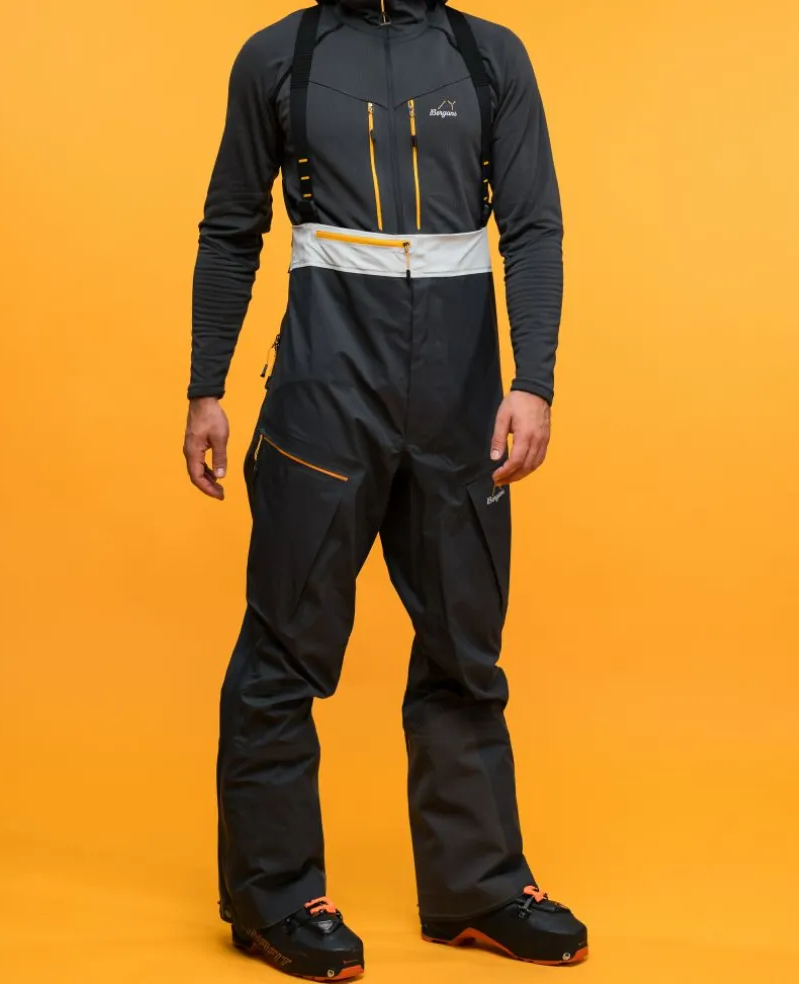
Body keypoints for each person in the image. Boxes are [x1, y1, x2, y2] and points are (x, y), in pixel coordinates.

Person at [184, 0, 587, 978]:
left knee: (464, 646)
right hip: (324, 391)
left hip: (461, 397)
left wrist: (533, 382)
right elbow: (231, 228)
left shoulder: (490, 56)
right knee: (285, 645)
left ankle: (477, 888)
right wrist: (207, 387)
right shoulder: (277, 57)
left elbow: (534, 226)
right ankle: (274, 898)